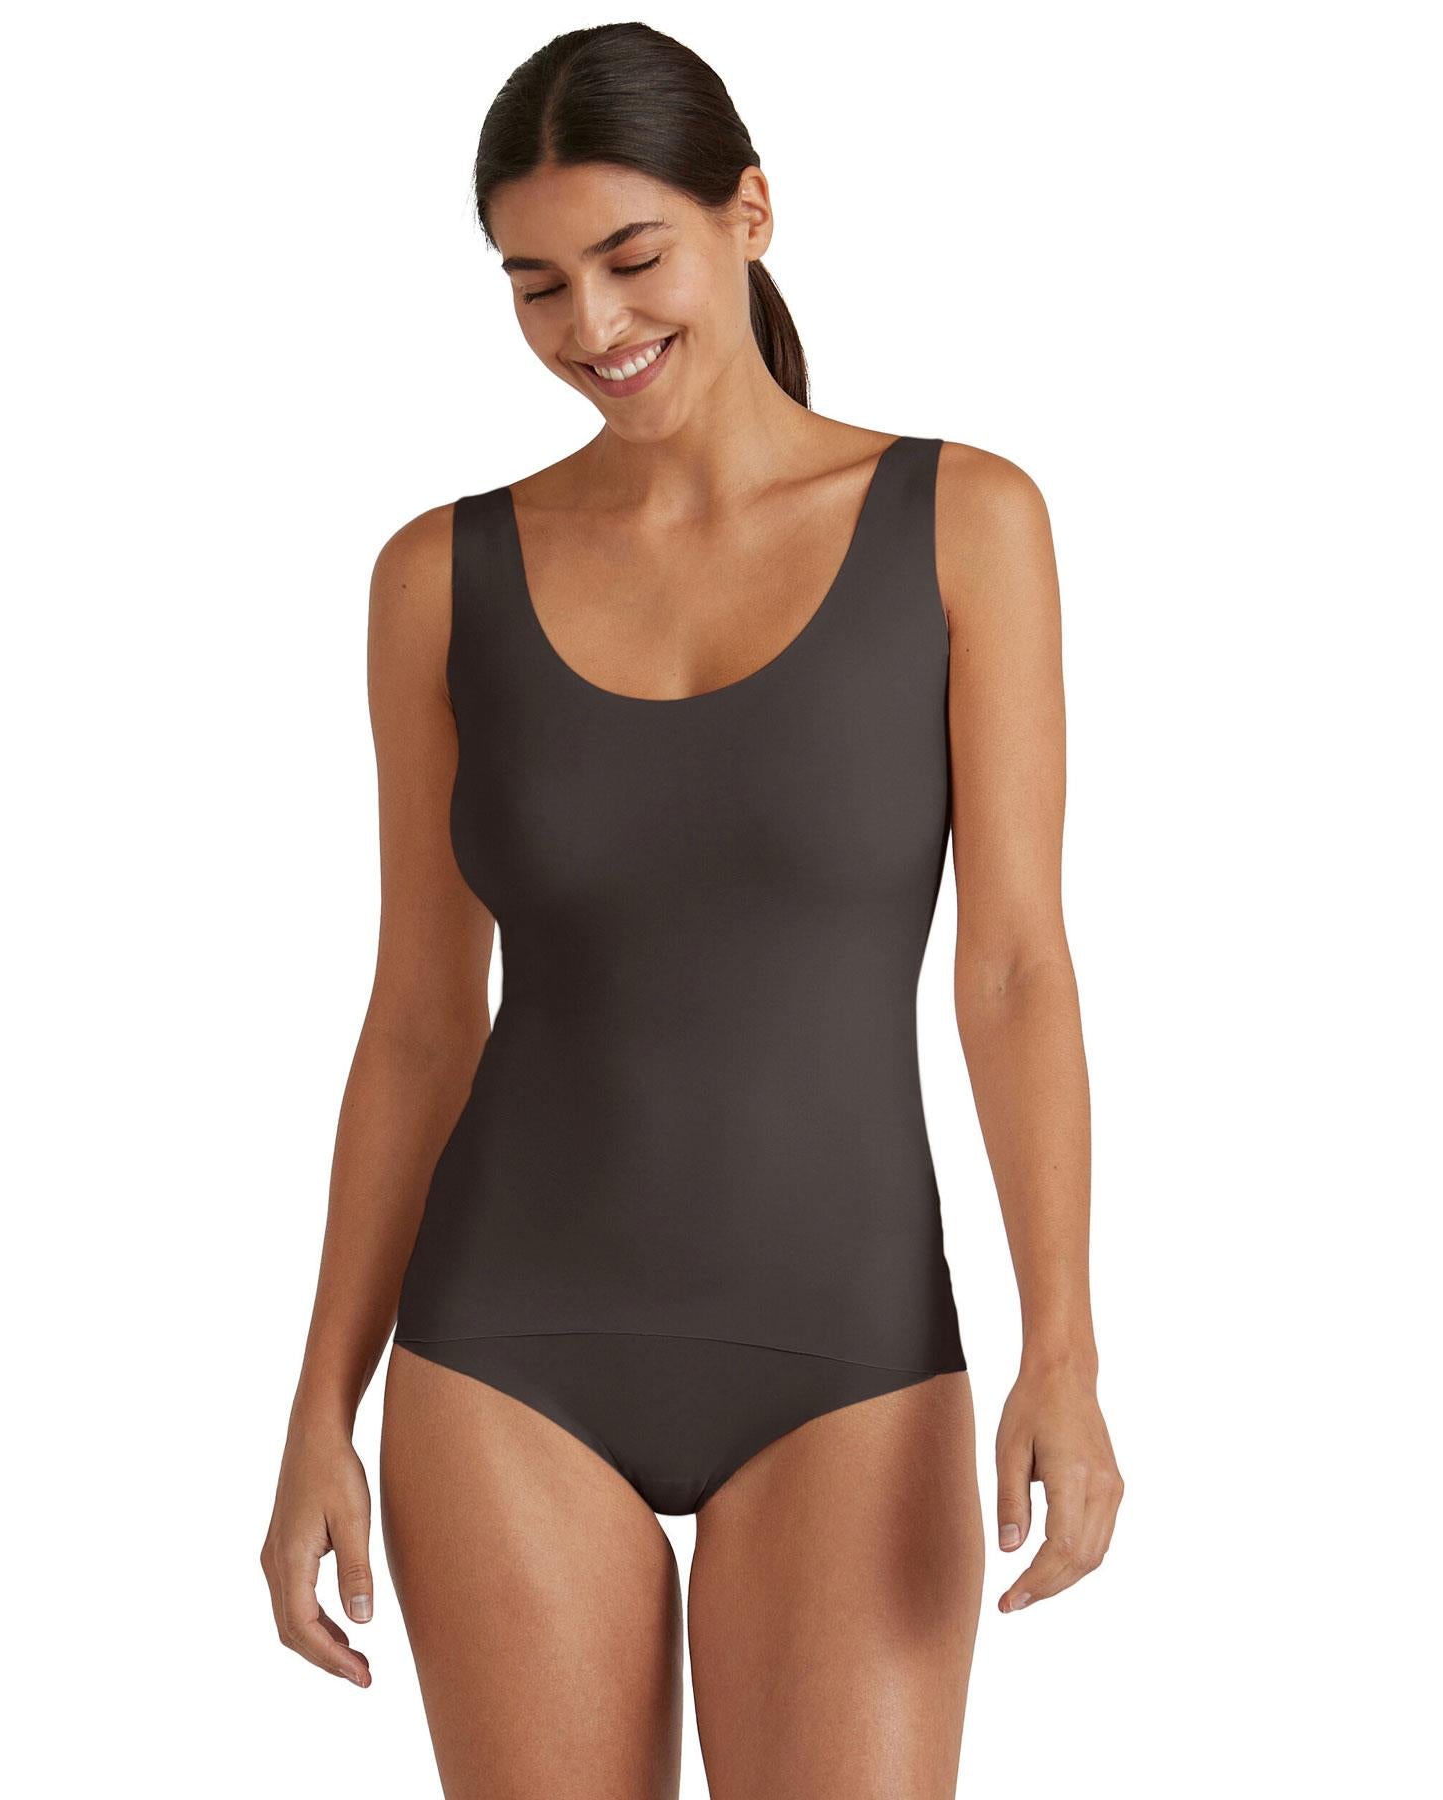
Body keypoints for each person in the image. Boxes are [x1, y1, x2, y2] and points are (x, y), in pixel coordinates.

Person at [261, 21, 1122, 1796]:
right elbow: (419, 1021)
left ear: (751, 212)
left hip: (851, 1351)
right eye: (535, 284)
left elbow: (1018, 967)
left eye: (630, 256)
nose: (591, 325)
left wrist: (1065, 1342)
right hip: (500, 1356)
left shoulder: (964, 521)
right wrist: (315, 1413)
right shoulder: (438, 579)